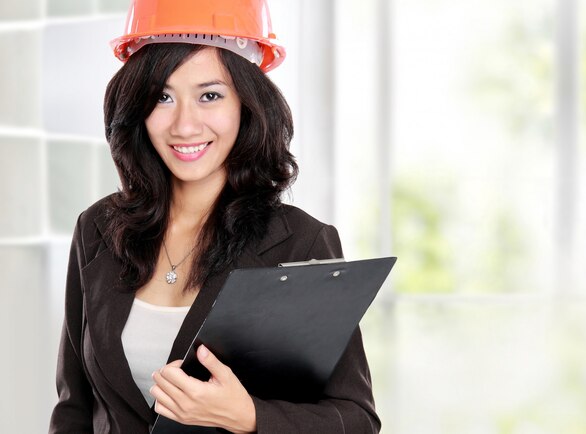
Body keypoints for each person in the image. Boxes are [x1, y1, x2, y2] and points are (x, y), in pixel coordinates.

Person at [49, 0, 380, 432]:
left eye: (210, 95)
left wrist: (248, 417)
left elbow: (356, 420)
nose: (184, 125)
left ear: (247, 103)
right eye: (163, 97)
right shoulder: (97, 229)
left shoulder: (300, 241)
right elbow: (73, 408)